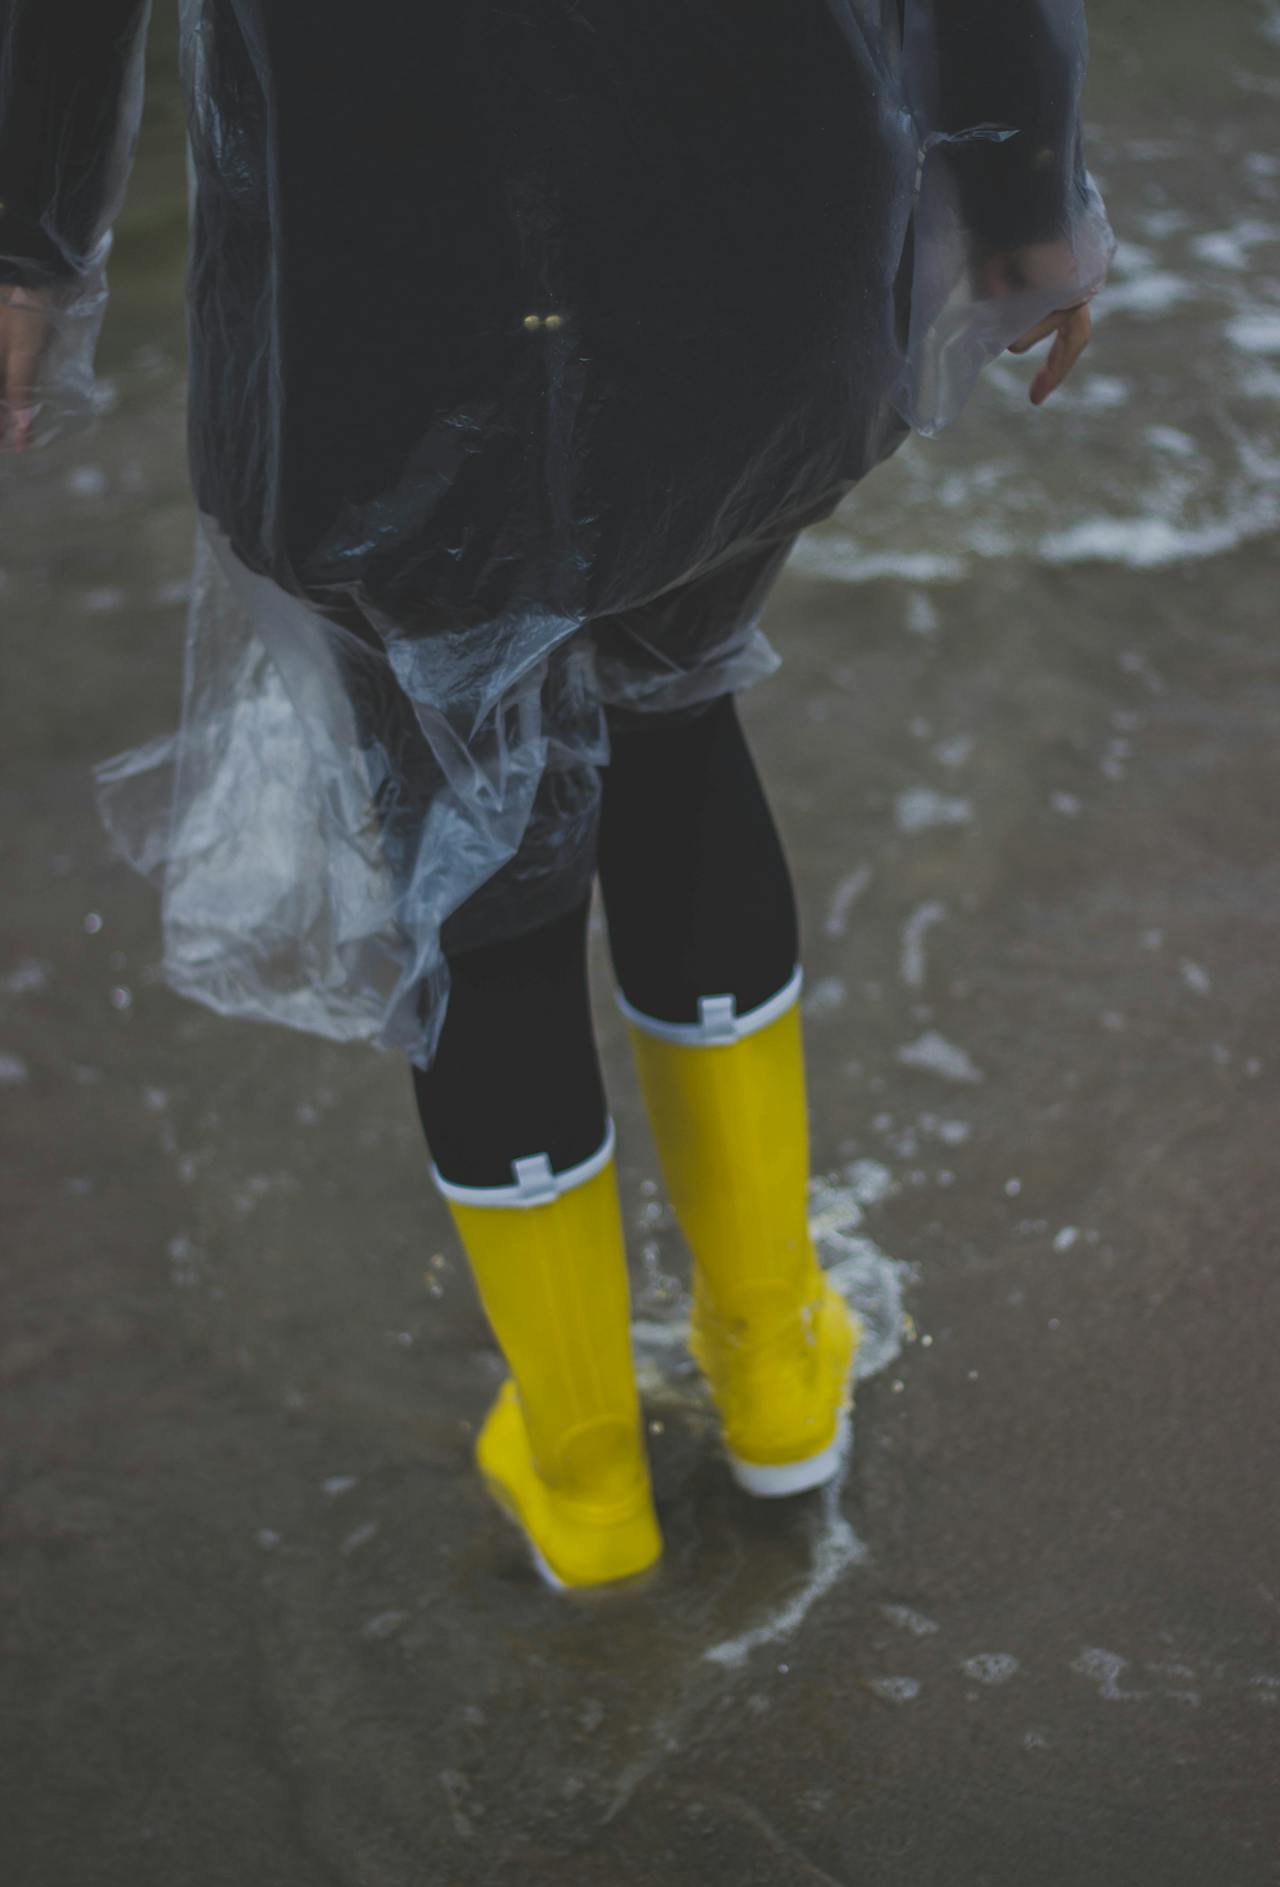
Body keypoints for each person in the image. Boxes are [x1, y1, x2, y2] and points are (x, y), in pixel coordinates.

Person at [1, 0, 1112, 1591]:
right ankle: (779, 1360)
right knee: (676, 714)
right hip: (762, 219)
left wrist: (32, 240)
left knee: (480, 862)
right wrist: (1025, 195)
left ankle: (588, 1471)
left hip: (375, 274)